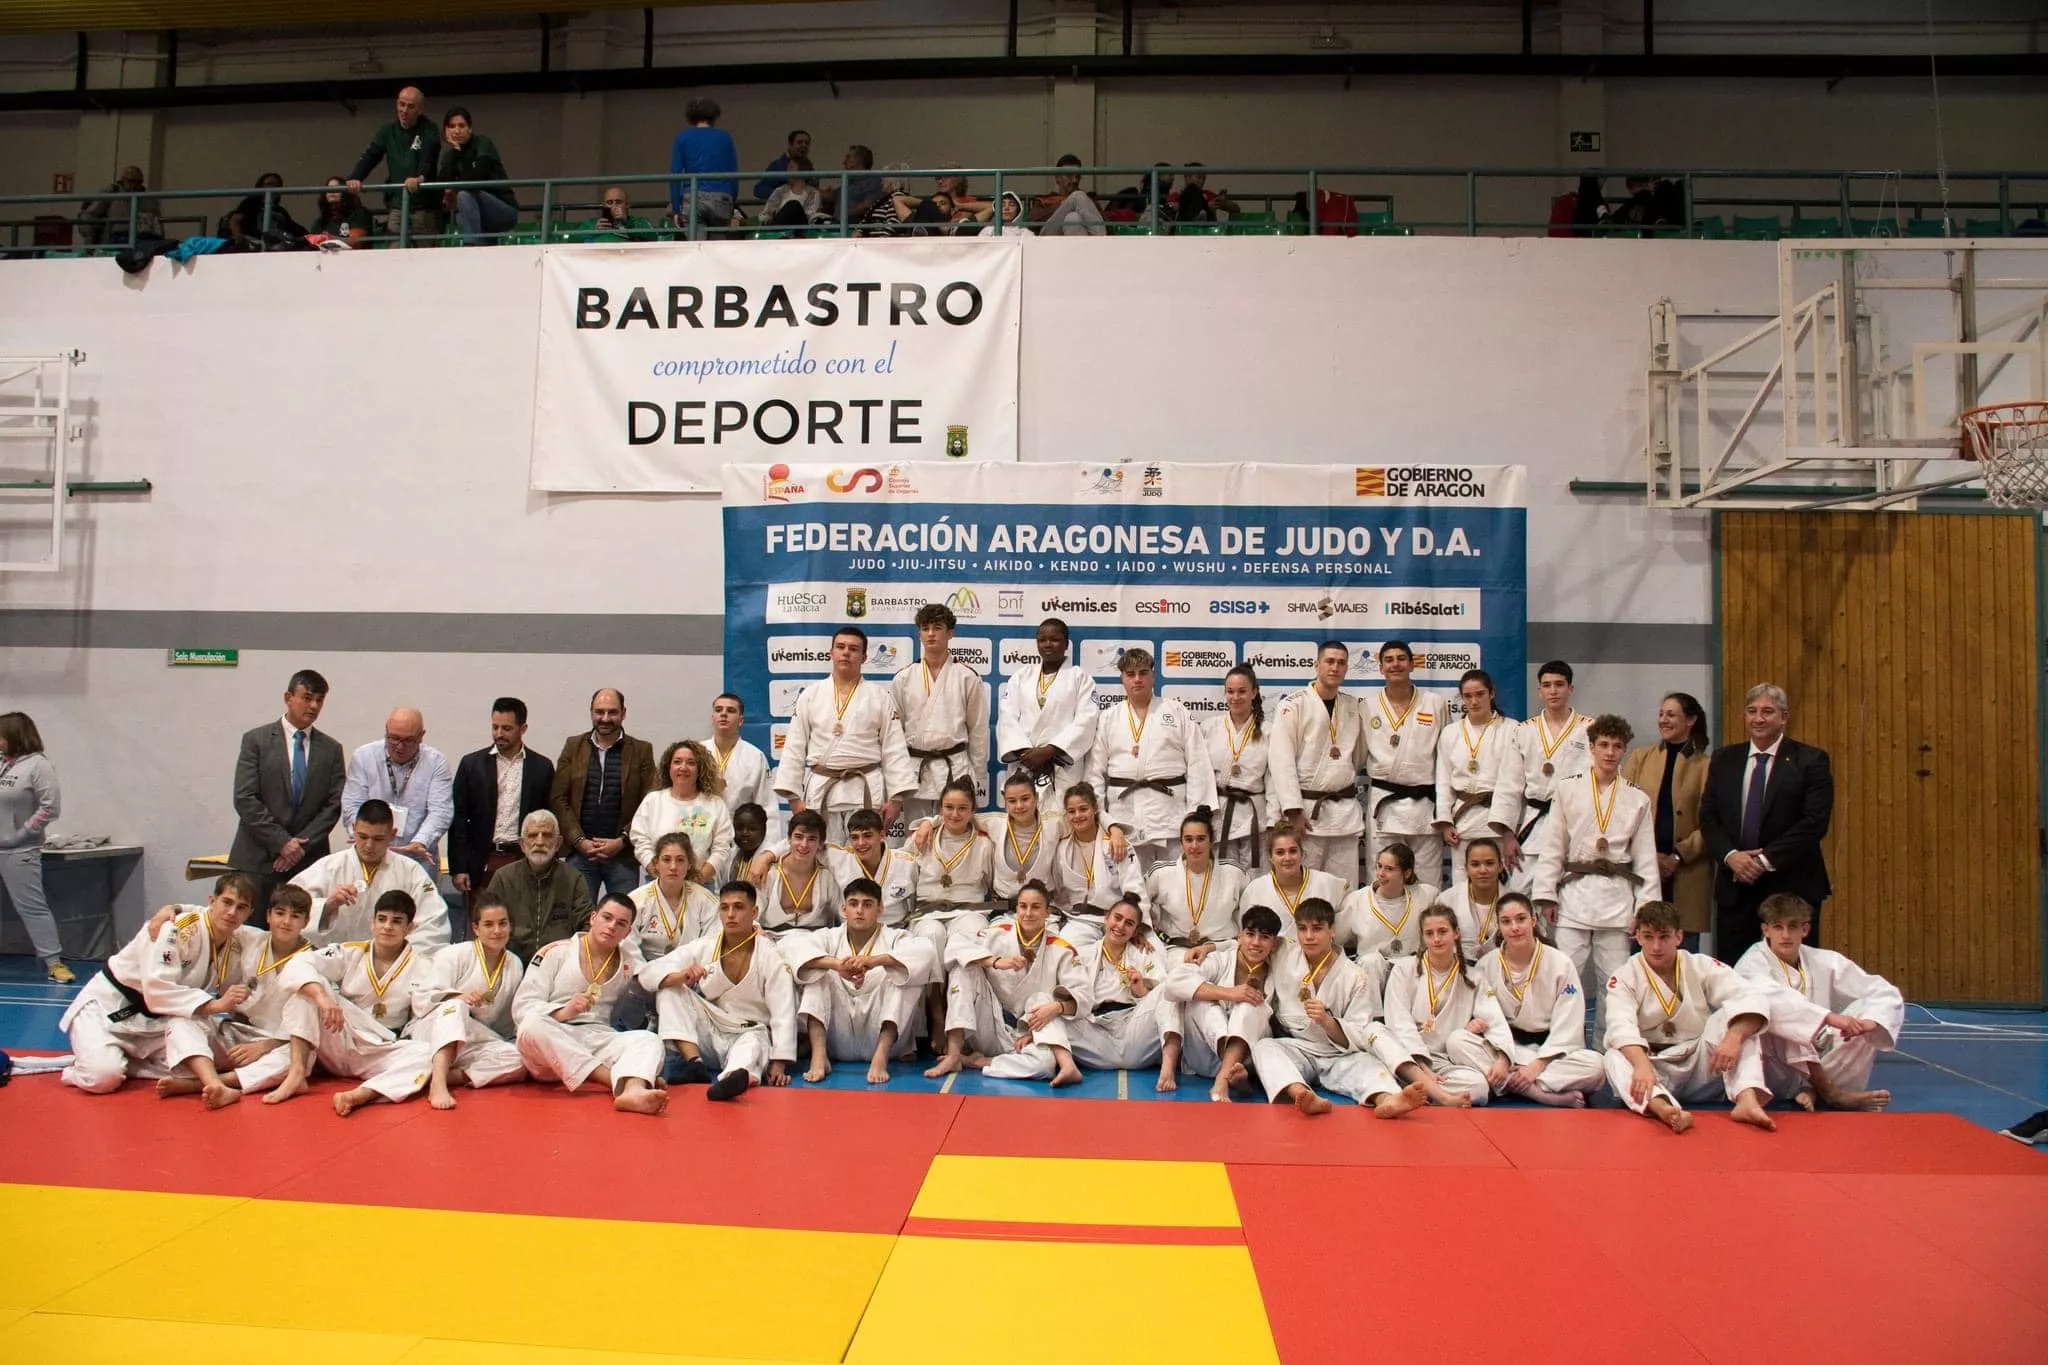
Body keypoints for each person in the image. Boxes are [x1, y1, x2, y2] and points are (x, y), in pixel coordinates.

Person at [59, 873, 256, 1101]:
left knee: (201, 1064)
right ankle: (84, 1067)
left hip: (156, 1021)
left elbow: (278, 935)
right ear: (212, 901)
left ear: (249, 913)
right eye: (227, 902)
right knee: (103, 1078)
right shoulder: (175, 927)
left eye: (241, 907)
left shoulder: (236, 939)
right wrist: (215, 1005)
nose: (232, 912)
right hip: (110, 1009)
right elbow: (157, 991)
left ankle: (125, 1060)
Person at [1603, 899, 1777, 1133]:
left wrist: (1733, 1037)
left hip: (1701, 1061)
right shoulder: (1624, 976)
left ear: (1679, 936)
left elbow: (1748, 995)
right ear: (1638, 937)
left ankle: (1747, 1099)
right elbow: (1620, 1026)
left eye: (1664, 937)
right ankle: (1664, 1109)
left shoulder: (1699, 964)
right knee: (1614, 1057)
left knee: (1735, 1019)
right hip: (1656, 1066)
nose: (1656, 946)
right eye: (1648, 936)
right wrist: (1642, 1065)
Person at [1531, 714, 1659, 1032]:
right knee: (1566, 982)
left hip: (1617, 901)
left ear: (1625, 751)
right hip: (1574, 896)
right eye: (1603, 744)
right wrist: (1546, 893)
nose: (1610, 752)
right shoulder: (1567, 790)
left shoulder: (1637, 798)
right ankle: (1564, 1048)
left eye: (1617, 746)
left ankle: (1609, 1052)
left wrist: (1645, 911)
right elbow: (1553, 847)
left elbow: (1645, 861)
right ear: (1591, 746)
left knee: (1614, 986)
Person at [1252, 898, 1428, 1118]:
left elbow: (1360, 1031)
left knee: (1370, 1066)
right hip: (1299, 1048)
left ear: (1332, 930)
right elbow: (1247, 944)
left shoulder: (1355, 975)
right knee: (1264, 1047)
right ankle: (1301, 1094)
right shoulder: (1283, 953)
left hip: (1339, 1054)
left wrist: (1328, 1022)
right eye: (1302, 929)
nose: (1308, 936)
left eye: (1317, 929)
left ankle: (1387, 1100)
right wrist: (1208, 947)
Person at [268, 889, 439, 1113]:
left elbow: (427, 1010)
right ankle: (297, 1073)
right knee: (307, 988)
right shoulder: (350, 952)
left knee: (428, 1054)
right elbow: (299, 962)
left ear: (410, 928)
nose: (387, 926)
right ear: (372, 923)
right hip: (342, 1034)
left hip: (381, 1046)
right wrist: (323, 998)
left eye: (397, 921)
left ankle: (363, 1094)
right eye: (382, 919)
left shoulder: (424, 965)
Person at [1699, 682, 1834, 958]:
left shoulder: (1810, 760)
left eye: (1767, 711)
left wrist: (1763, 861)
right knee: (1734, 974)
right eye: (1752, 711)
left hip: (1790, 882)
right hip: (1735, 885)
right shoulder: (1725, 758)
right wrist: (1730, 856)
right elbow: (1708, 815)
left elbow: (1814, 822)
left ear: (1784, 717)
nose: (1758, 718)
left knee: (1791, 972)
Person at [1735, 893, 1899, 1110]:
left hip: (1819, 1054)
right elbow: (1772, 1000)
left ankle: (1812, 1088)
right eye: (1778, 927)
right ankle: (1829, 1092)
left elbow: (1883, 990)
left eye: (1793, 926)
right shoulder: (1751, 963)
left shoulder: (1824, 960)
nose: (1785, 935)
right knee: (1781, 1021)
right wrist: (1829, 1017)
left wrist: (1871, 1022)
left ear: (1805, 930)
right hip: (1774, 1065)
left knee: (1865, 1015)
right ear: (1766, 930)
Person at [155, 884, 315, 1103]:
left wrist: (262, 1047)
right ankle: (214, 1083)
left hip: (275, 1042)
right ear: (268, 916)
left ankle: (202, 1083)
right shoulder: (249, 937)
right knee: (181, 1021)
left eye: (295, 916)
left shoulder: (315, 959)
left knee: (303, 1060)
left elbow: (309, 1024)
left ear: (306, 921)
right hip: (233, 1032)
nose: (286, 922)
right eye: (279, 913)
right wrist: (176, 908)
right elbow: (218, 912)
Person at [641, 881, 798, 1100]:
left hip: (748, 1030)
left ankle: (731, 1079)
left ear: (754, 912)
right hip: (709, 1029)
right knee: (670, 988)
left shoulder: (770, 956)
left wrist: (780, 1062)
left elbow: (784, 1011)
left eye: (738, 907)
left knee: (752, 1047)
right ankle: (693, 1064)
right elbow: (649, 973)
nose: (731, 914)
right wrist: (680, 976)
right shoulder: (705, 945)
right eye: (724, 908)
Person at [512, 893, 666, 1114]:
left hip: (596, 1039)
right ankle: (616, 1081)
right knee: (531, 1026)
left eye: (621, 923)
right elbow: (521, 1009)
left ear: (628, 932)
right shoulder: (555, 952)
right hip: (553, 1044)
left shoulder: (628, 965)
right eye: (607, 917)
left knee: (647, 1040)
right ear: (593, 918)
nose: (612, 926)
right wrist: (565, 1011)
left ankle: (633, 1090)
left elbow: (617, 1017)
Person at [928, 881, 1085, 1082]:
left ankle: (977, 1062)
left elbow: (1082, 998)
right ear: (1016, 909)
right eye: (1023, 906)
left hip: (1029, 1033)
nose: (1028, 913)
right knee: (964, 968)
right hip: (990, 1024)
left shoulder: (1062, 949)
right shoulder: (998, 933)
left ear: (1048, 912)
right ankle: (953, 1053)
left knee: (1045, 1064)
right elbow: (956, 947)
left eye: (1036, 907)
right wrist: (996, 961)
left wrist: (1057, 1009)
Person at [772, 626, 916, 846]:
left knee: (864, 858)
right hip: (822, 791)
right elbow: (794, 746)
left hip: (864, 791)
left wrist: (896, 799)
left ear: (864, 657)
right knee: (824, 858)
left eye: (853, 649)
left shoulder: (879, 697)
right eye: (840, 647)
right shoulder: (811, 695)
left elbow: (894, 747)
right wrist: (793, 797)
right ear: (831, 653)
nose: (846, 652)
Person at [792, 878, 935, 1084]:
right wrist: (836, 965)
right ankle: (818, 1056)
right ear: (843, 909)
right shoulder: (829, 937)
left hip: (882, 1036)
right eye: (853, 904)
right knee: (818, 972)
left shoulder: (895, 937)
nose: (859, 910)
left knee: (903, 975)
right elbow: (791, 947)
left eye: (867, 904)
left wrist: (875, 961)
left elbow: (926, 951)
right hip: (837, 1039)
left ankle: (880, 1058)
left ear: (880, 909)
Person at [1089, 647, 1218, 875]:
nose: (1137, 679)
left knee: (1175, 885)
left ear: (1153, 675)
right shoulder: (1109, 718)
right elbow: (1094, 774)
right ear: (1122, 678)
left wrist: (1193, 815)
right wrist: (1107, 821)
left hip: (1171, 818)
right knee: (1131, 889)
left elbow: (1198, 763)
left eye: (1143, 672)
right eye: (1130, 674)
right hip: (1124, 818)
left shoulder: (1176, 711)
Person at [1467, 893, 1605, 1106]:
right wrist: (1503, 1056)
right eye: (1506, 921)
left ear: (1533, 921)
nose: (1514, 927)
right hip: (1507, 1049)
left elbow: (1568, 1024)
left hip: (1549, 1052)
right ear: (1499, 926)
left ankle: (1510, 1083)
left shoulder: (1560, 964)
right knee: (1458, 1041)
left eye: (1521, 919)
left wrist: (1537, 1065)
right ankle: (1538, 1092)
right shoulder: (1487, 965)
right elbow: (1487, 1017)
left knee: (1596, 1066)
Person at [231, 669, 346, 923]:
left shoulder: (331, 749)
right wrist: (282, 842)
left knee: (303, 936)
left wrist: (298, 847)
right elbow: (245, 797)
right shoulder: (256, 741)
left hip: (307, 861)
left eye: (320, 700)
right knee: (252, 936)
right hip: (259, 859)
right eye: (307, 697)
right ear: (288, 697)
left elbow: (333, 804)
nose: (314, 706)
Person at [1034, 896, 1179, 1088]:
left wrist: (1140, 990)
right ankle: (1068, 1066)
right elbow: (1071, 998)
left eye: (1129, 923)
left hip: (1133, 1031)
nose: (1120, 926)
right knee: (1042, 1000)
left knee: (1169, 991)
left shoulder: (1144, 953)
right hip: (1095, 1035)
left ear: (1135, 930)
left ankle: (1168, 1069)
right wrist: (1042, 1022)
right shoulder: (1082, 955)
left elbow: (1158, 999)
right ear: (1106, 918)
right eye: (1117, 918)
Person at [1369, 904, 1501, 1107]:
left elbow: (1494, 1019)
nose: (1436, 939)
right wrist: (1421, 1066)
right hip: (1407, 1057)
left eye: (1442, 932)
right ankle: (1440, 1096)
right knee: (1375, 1031)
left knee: (1479, 1087)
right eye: (1429, 934)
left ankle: (1409, 1090)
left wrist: (1473, 1029)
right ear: (1422, 937)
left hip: (1444, 1061)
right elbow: (1400, 1022)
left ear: (1456, 933)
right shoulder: (1404, 970)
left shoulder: (1473, 977)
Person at [406, 892, 527, 1109]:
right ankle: (438, 1084)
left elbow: (507, 1021)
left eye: (503, 923)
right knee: (456, 1006)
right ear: (476, 928)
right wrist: (456, 996)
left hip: (473, 1036)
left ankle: (452, 1075)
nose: (497, 931)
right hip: (433, 1029)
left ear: (511, 926)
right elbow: (422, 999)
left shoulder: (515, 964)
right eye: (489, 924)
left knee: (519, 1059)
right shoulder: (453, 954)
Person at [1266, 642, 1368, 885]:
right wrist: (1293, 809)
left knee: (1344, 889)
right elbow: (1281, 760)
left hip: (1344, 814)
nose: (1335, 667)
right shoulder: (1293, 704)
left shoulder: (1353, 706)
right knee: (1306, 888)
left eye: (1341, 662)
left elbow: (1358, 755)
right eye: (1329, 661)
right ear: (1317, 664)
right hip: (1307, 815)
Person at [292, 799, 451, 949]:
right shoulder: (329, 867)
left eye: (378, 839)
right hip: (334, 962)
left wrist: (398, 956)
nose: (369, 845)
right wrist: (328, 905)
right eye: (362, 837)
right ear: (353, 829)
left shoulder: (410, 872)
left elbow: (433, 925)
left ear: (392, 834)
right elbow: (288, 908)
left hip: (390, 966)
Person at [1162, 905, 1283, 1101]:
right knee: (1202, 1001)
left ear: (1275, 944)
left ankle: (1223, 1079)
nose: (1255, 942)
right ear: (1239, 937)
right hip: (1204, 1054)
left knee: (1250, 1005)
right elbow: (1173, 982)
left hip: (1249, 1057)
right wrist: (1230, 993)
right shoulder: (1221, 959)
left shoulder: (1280, 967)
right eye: (1250, 934)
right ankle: (1231, 1074)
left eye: (1265, 937)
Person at [550, 688, 658, 902]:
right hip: (580, 853)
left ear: (623, 713)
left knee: (622, 920)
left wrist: (623, 840)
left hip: (622, 856)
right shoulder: (573, 746)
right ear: (591, 712)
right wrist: (580, 840)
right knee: (579, 920)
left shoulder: (642, 750)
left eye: (612, 712)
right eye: (599, 712)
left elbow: (649, 802)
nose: (605, 718)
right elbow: (558, 798)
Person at [1622, 692, 1713, 943]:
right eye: (1661, 714)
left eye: (1671, 715)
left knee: (1683, 950)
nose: (1663, 719)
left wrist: (1677, 856)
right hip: (1642, 866)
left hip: (1688, 870)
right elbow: (1621, 810)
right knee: (1641, 944)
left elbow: (1713, 822)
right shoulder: (1640, 758)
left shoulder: (1707, 765)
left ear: (1691, 720)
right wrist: (1650, 857)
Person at [893, 603, 990, 829]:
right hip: (916, 770)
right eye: (925, 628)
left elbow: (978, 731)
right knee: (916, 837)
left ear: (950, 633)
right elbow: (895, 736)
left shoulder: (967, 677)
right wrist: (897, 779)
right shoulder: (903, 678)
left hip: (955, 769)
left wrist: (975, 777)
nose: (931, 633)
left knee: (954, 836)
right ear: (919, 635)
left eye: (937, 627)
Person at [450, 696, 555, 900]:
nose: (499, 734)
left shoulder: (541, 767)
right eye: (495, 727)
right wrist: (459, 867)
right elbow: (459, 818)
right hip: (482, 859)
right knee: (482, 924)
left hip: (523, 857)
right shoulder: (472, 765)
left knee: (523, 924)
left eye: (507, 728)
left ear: (523, 728)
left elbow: (548, 816)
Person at [1363, 640, 1448, 881]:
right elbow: (1359, 755)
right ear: (1380, 668)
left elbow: (1444, 758)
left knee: (1428, 879)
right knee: (1382, 877)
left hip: (1425, 804)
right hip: (1385, 803)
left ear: (1412, 664)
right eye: (1388, 660)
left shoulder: (1435, 704)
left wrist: (1444, 811)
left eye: (1401, 659)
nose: (1395, 664)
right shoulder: (1367, 707)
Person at [1432, 668, 1524, 884]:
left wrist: (1508, 831)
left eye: (1480, 694)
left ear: (1492, 693)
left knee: (1502, 888)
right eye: (1468, 696)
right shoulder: (1450, 733)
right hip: (1463, 822)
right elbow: (1443, 781)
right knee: (1463, 887)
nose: (1474, 701)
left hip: (1497, 822)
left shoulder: (1512, 729)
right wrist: (1445, 822)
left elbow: (1513, 783)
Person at [0, 713, 71, 982]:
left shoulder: (38, 766)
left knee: (31, 907)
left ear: (15, 735)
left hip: (19, 851)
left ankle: (54, 963)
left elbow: (50, 808)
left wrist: (21, 834)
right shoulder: (2, 763)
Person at [341, 706, 454, 875]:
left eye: (408, 740)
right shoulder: (364, 757)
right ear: (386, 732)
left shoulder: (436, 762)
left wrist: (421, 842)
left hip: (417, 858)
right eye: (393, 738)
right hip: (370, 855)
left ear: (421, 736)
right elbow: (352, 805)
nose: (399, 747)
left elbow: (441, 811)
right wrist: (367, 838)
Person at [996, 618, 1097, 802]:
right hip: (1025, 764)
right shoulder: (1021, 676)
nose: (1047, 645)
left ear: (1066, 644)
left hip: (1061, 767)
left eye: (1055, 639)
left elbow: (1086, 721)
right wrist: (1027, 754)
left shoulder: (1080, 678)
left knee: (1061, 824)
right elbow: (1007, 718)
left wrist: (1049, 751)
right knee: (1023, 821)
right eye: (1042, 640)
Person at [1512, 660, 1591, 888]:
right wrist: (1507, 835)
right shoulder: (1523, 730)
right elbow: (1510, 785)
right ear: (1539, 691)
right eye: (1547, 685)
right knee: (1520, 893)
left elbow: (1602, 784)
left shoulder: (1590, 729)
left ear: (1571, 689)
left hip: (1573, 823)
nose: (1553, 691)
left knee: (1566, 894)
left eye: (1559, 684)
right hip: (1532, 824)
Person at [486, 810, 593, 960]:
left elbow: (587, 925)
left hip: (559, 963)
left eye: (547, 835)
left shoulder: (573, 878)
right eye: (532, 835)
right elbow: (487, 923)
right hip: (510, 961)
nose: (540, 842)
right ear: (522, 844)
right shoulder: (503, 878)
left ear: (558, 844)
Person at [1144, 811, 1249, 959]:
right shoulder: (1161, 873)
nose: (1194, 845)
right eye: (1188, 839)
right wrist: (1144, 932)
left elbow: (1251, 909)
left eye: (1201, 839)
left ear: (1211, 841)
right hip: (1177, 950)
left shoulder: (1234, 873)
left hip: (1222, 949)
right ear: (1181, 842)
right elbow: (1138, 902)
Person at [1046, 782, 1142, 944]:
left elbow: (1134, 886)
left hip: (1117, 920)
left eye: (1083, 809)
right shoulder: (1062, 848)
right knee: (1065, 949)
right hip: (1080, 921)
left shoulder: (1115, 844)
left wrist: (1140, 928)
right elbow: (1058, 892)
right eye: (1071, 811)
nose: (1077, 815)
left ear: (1095, 809)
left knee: (1150, 953)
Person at [346, 85, 442, 242]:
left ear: (420, 109)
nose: (404, 110)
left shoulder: (429, 129)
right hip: (398, 203)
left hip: (424, 205)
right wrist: (356, 177)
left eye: (410, 106)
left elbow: (428, 157)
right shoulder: (388, 131)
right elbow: (371, 155)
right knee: (393, 250)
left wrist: (419, 177)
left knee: (426, 253)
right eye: (401, 104)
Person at [629, 739, 734, 883]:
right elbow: (640, 840)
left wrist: (697, 880)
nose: (683, 767)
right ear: (669, 767)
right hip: (658, 883)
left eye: (691, 763)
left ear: (700, 769)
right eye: (677, 762)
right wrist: (661, 876)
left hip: (701, 886)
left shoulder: (715, 804)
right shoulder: (653, 800)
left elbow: (722, 848)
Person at [1336, 841, 1438, 982]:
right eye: (1379, 866)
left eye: (1389, 869)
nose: (1381, 874)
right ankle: (1368, 1005)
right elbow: (1335, 938)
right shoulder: (1356, 900)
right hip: (1372, 971)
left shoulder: (1426, 895)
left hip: (1410, 969)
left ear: (1407, 873)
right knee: (1371, 962)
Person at [1204, 664, 1269, 870]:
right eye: (1230, 692)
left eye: (1242, 691)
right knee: (1223, 877)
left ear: (1254, 692)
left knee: (1255, 876)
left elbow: (1274, 779)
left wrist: (1275, 819)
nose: (1235, 697)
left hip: (1254, 814)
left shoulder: (1269, 731)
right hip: (1219, 813)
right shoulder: (1210, 727)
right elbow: (1200, 775)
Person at [1239, 820, 1346, 944]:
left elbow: (1345, 923)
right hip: (1273, 959)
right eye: (1280, 852)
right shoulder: (1255, 890)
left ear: (1302, 854)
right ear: (1270, 857)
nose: (1287, 858)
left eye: (1293, 851)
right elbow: (1246, 935)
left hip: (1317, 958)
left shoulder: (1328, 883)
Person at [750, 809, 843, 936]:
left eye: (811, 839)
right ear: (788, 839)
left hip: (816, 942)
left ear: (820, 844)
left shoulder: (827, 877)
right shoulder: (770, 874)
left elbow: (844, 916)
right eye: (798, 837)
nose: (804, 845)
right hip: (770, 938)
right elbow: (752, 916)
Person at [630, 833, 720, 962]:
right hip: (647, 971)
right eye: (666, 860)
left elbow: (714, 940)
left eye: (680, 860)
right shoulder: (636, 901)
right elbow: (627, 947)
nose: (673, 867)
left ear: (689, 864)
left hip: (693, 971)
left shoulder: (704, 899)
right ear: (656, 863)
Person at [436, 107, 519, 245]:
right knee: (464, 196)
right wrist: (456, 151)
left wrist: (454, 188)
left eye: (461, 126)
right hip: (478, 216)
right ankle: (476, 246)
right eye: (452, 126)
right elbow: (442, 184)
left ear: (470, 128)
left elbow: (479, 175)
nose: (457, 131)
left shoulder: (482, 143)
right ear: (446, 131)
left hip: (504, 210)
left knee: (463, 194)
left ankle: (470, 245)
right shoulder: (450, 156)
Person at [669, 95, 740, 238]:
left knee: (697, 249)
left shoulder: (682, 138)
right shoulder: (725, 137)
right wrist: (732, 203)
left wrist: (676, 208)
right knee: (717, 251)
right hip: (722, 197)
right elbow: (733, 173)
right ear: (714, 115)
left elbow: (675, 174)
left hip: (693, 197)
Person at [705, 693, 775, 824]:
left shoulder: (755, 757)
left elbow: (766, 805)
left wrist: (768, 843)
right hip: (701, 829)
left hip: (741, 834)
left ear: (741, 720)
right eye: (718, 710)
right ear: (712, 718)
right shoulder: (698, 753)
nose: (723, 714)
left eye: (731, 711)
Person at [1438, 836, 1507, 961]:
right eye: (1475, 864)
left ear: (1501, 866)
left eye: (1489, 863)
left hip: (1503, 969)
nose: (1483, 870)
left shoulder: (1515, 901)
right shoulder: (1446, 900)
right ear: (1466, 868)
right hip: (1457, 969)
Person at [79, 165, 162, 245]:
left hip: (142, 238)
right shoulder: (112, 193)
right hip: (115, 238)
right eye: (130, 181)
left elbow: (157, 222)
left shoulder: (148, 199)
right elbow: (90, 214)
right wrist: (89, 238)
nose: (134, 185)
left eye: (138, 182)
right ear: (123, 180)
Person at [219, 172, 307, 244]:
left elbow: (296, 229)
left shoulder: (281, 211)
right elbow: (235, 221)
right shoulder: (250, 203)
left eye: (277, 186)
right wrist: (239, 241)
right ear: (260, 186)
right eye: (268, 184)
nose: (272, 188)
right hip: (252, 243)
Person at [1036, 154, 1106, 236]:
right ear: (1057, 177)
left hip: (1081, 243)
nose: (1075, 180)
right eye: (1069, 175)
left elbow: (1106, 221)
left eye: (1078, 176)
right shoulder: (1046, 200)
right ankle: (1102, 240)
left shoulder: (1087, 200)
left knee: (1073, 218)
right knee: (1078, 196)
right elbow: (1034, 221)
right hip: (1048, 238)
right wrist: (1067, 206)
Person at [569, 186, 658, 242]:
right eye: (609, 202)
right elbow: (571, 240)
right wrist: (594, 230)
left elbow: (653, 237)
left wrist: (627, 223)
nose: (614, 206)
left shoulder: (638, 222)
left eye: (618, 202)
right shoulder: (592, 223)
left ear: (627, 205)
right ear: (604, 205)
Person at [309, 176, 374, 244]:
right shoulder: (319, 223)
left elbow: (355, 243)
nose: (332, 191)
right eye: (329, 189)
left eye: (336, 188)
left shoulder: (358, 214)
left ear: (345, 192)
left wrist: (329, 238)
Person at [753, 129, 813, 201]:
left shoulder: (810, 167)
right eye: (799, 142)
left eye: (807, 143)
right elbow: (760, 190)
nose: (804, 145)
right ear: (790, 145)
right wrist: (784, 195)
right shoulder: (777, 166)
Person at [759, 158, 820, 227]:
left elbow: (811, 217)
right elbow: (765, 214)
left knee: (793, 205)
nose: (787, 170)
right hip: (778, 226)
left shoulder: (813, 193)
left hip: (800, 228)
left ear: (801, 172)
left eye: (791, 167)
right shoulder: (780, 190)